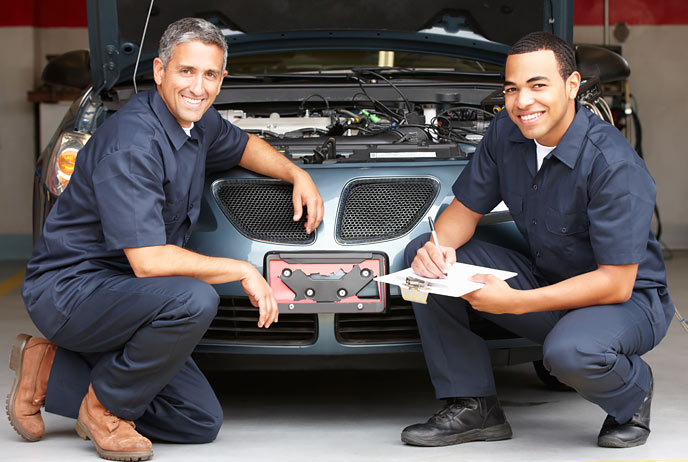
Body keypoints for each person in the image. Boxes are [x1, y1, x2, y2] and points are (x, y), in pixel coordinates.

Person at [8, 17, 323, 461]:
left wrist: (296, 172)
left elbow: (242, 144)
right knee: (193, 300)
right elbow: (149, 262)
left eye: (210, 74)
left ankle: (49, 370)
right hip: (72, 290)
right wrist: (241, 269)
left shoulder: (197, 120)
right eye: (186, 71)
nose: (198, 86)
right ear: (159, 71)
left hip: (130, 296)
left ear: (221, 79)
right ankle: (102, 410)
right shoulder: (134, 145)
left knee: (198, 421)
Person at [401, 31, 673, 449]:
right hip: (548, 278)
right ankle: (474, 404)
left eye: (538, 85)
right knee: (421, 260)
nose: (522, 102)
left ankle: (633, 391)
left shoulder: (613, 165)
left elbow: (615, 282)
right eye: (512, 88)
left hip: (625, 301)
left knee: (568, 354)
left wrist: (515, 302)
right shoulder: (505, 135)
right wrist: (438, 248)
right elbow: (463, 211)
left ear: (572, 84)